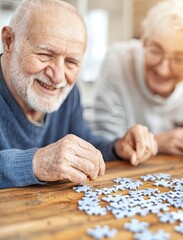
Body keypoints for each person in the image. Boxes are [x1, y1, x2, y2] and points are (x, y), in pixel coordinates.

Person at [0, 0, 158, 189]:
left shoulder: (67, 91)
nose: (58, 77)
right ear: (9, 41)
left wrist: (117, 148)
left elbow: (84, 142)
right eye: (45, 54)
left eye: (71, 62)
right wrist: (36, 163)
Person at [92, 0, 183, 166]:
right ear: (143, 41)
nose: (163, 69)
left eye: (179, 58)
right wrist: (159, 143)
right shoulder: (117, 61)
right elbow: (103, 143)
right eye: (155, 50)